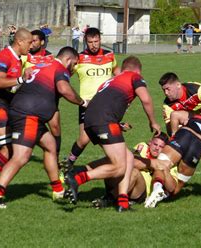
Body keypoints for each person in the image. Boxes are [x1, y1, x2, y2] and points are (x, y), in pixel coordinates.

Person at [0, 47, 84, 208]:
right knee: (21, 156)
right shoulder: (59, 68)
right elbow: (64, 89)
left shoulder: (43, 65)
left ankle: (58, 190)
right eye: (74, 64)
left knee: (50, 146)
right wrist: (82, 102)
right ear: (68, 60)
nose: (73, 68)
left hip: (28, 114)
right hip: (28, 116)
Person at [64, 56, 161, 212]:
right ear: (137, 70)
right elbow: (146, 99)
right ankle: (77, 178)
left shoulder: (109, 81)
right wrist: (153, 122)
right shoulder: (134, 76)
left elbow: (103, 103)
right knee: (119, 167)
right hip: (105, 120)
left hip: (90, 118)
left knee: (128, 157)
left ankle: (122, 201)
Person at [60, 27, 120, 170]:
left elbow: (118, 73)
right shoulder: (79, 58)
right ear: (85, 42)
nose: (93, 45)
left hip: (107, 104)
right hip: (87, 104)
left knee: (105, 136)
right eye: (90, 42)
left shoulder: (110, 55)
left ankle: (117, 159)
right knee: (84, 139)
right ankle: (68, 163)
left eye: (96, 41)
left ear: (100, 40)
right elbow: (64, 75)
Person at [0, 28, 32, 197]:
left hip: (4, 106)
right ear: (20, 41)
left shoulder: (17, 59)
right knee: (7, 148)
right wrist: (21, 79)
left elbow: (10, 86)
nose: (31, 45)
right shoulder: (4, 56)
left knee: (9, 148)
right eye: (29, 42)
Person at [87, 133, 176, 208]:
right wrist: (136, 153)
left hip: (140, 191)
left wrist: (165, 169)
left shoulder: (168, 161)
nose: (157, 148)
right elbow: (128, 159)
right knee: (115, 163)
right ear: (150, 142)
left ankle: (109, 199)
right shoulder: (143, 147)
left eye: (161, 146)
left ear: (165, 149)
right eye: (155, 144)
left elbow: (172, 188)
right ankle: (84, 173)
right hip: (123, 181)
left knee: (134, 172)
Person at [21, 30, 62, 157]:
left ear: (42, 42)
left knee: (55, 127)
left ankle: (56, 156)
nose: (31, 44)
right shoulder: (24, 56)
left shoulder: (51, 58)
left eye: (35, 41)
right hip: (27, 98)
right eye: (30, 41)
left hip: (48, 97)